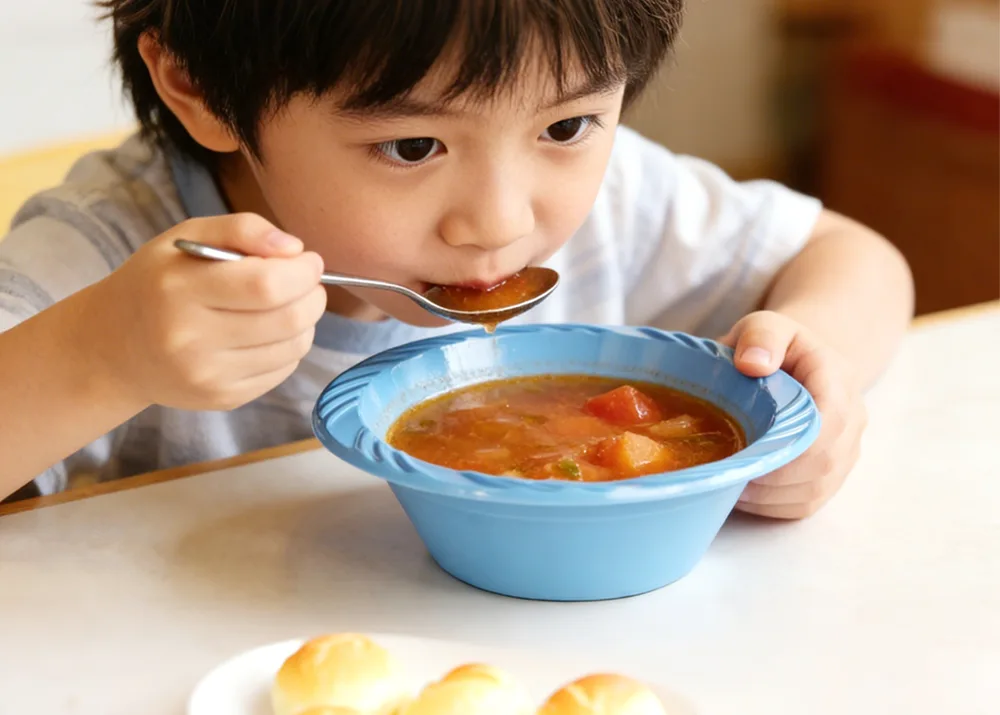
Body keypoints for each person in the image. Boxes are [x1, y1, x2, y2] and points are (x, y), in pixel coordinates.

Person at [0, 0, 913, 517]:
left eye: (567, 126)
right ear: (198, 87)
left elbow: (854, 255)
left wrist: (811, 369)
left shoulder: (620, 198)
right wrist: (100, 353)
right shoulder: (109, 248)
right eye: (412, 147)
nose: (500, 221)